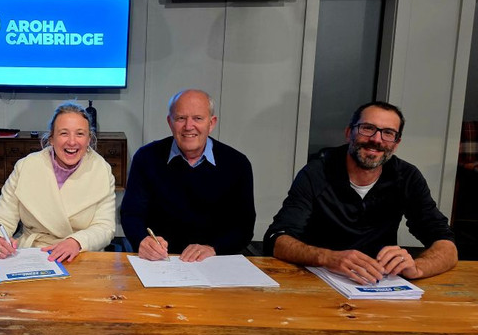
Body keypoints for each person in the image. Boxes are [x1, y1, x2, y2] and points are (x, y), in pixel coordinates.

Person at [263, 101, 458, 284]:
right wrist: (328, 257)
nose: (376, 139)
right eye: (367, 128)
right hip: (318, 279)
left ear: (396, 143)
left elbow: (446, 245)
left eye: (388, 133)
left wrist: (417, 268)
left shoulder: (407, 176)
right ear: (349, 133)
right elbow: (276, 240)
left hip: (378, 283)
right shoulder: (316, 172)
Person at [120, 89, 255, 262]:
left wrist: (214, 249)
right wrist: (142, 240)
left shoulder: (237, 164)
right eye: (181, 118)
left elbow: (244, 227)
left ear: (211, 123)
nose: (188, 126)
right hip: (159, 261)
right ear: (170, 122)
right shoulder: (146, 157)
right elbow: (131, 213)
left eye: (198, 118)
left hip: (213, 260)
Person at [0, 101, 116, 263]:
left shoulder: (101, 170)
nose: (72, 142)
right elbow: (1, 219)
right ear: (51, 138)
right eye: (64, 133)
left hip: (83, 254)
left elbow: (105, 227)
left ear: (89, 139)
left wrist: (76, 242)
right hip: (34, 252)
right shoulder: (26, 166)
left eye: (80, 134)